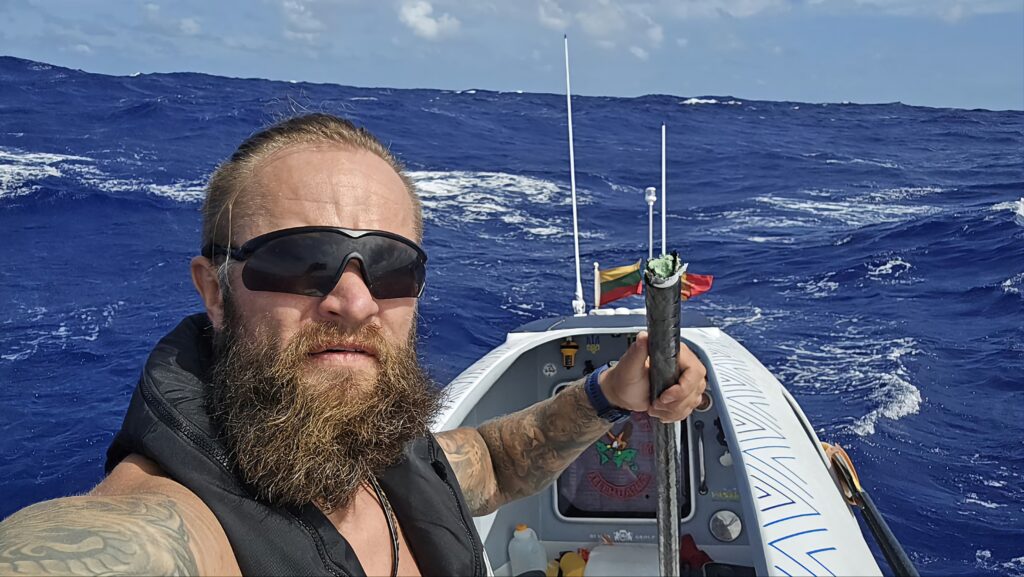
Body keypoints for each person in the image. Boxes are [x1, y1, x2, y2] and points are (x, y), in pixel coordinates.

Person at [0, 113, 707, 576]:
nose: (356, 301)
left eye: (392, 268)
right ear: (215, 291)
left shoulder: (375, 454)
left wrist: (610, 393)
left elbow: (493, 463)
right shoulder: (168, 523)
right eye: (299, 259)